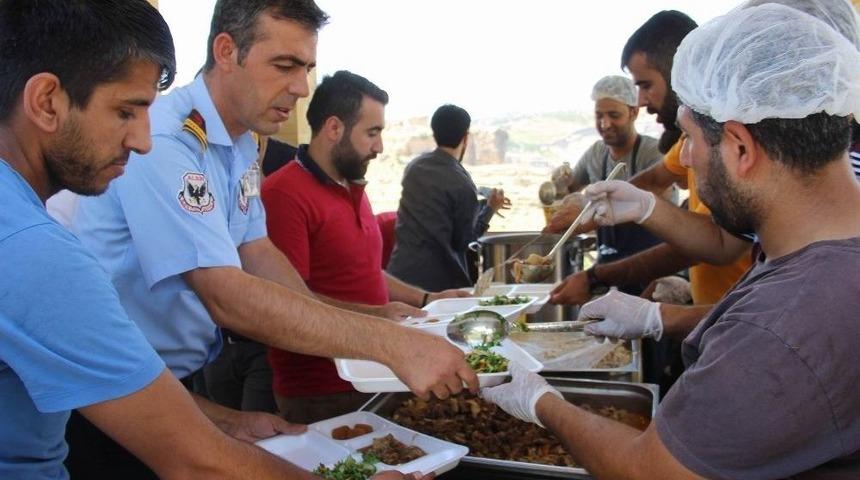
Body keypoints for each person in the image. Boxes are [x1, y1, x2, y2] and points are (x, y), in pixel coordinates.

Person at [0, 2, 424, 479]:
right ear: (46, 101)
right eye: (125, 111)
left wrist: (224, 420)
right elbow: (197, 455)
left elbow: (257, 252)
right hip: (114, 412)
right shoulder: (38, 247)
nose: (141, 141)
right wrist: (391, 345)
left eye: (306, 68)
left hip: (165, 387)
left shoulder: (240, 144)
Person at [483, 4, 860, 478]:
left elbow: (650, 470)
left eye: (691, 140)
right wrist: (659, 314)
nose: (688, 163)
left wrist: (539, 401)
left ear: (741, 148)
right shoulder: (817, 252)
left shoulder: (784, 325)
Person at [262, 70, 470, 423]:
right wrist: (377, 318)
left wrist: (425, 299)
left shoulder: (352, 186)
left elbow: (364, 271)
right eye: (372, 133)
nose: (380, 147)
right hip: (322, 392)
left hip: (379, 373)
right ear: (334, 129)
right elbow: (287, 302)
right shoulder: (284, 194)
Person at [550, 75, 664, 279]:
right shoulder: (596, 153)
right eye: (599, 116)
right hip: (608, 267)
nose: (605, 123)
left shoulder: (653, 152)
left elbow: (654, 199)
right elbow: (569, 190)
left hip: (651, 266)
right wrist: (560, 184)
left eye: (614, 115)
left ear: (634, 112)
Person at [387, 104, 510, 292]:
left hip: (399, 280)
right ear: (465, 138)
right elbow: (465, 241)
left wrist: (483, 204)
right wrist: (490, 209)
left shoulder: (414, 168)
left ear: (434, 132)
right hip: (440, 287)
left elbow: (435, 207)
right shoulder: (463, 185)